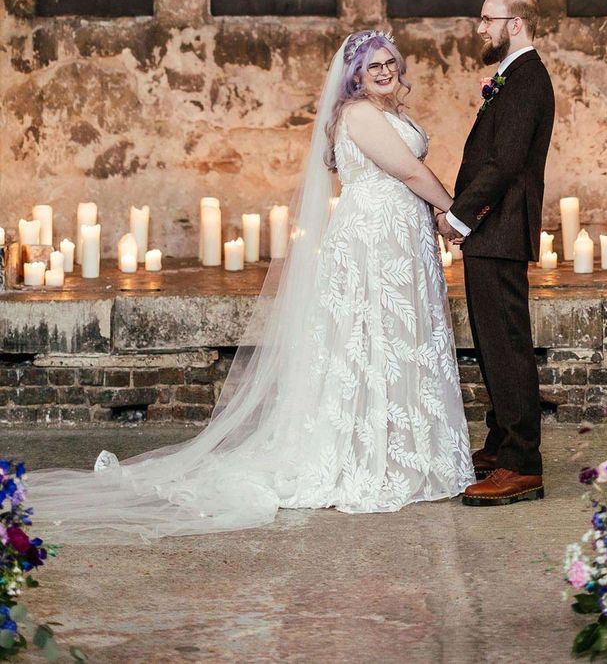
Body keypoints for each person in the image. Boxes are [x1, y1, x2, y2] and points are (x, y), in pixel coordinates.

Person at [31, 31, 474, 542]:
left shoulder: (387, 112)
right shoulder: (359, 114)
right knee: (367, 338)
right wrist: (453, 211)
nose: (382, 71)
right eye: (371, 65)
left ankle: (404, 446)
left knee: (397, 338)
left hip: (399, 238)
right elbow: (408, 170)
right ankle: (370, 455)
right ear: (353, 76)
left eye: (389, 62)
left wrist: (437, 215)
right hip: (374, 240)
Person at [438, 0, 555, 506]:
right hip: (495, 230)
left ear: (516, 23)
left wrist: (460, 217)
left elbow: (505, 164)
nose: (479, 28)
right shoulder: (512, 77)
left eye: (488, 19)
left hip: (499, 228)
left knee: (506, 345)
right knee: (492, 342)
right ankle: (502, 442)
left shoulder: (527, 79)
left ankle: (521, 463)